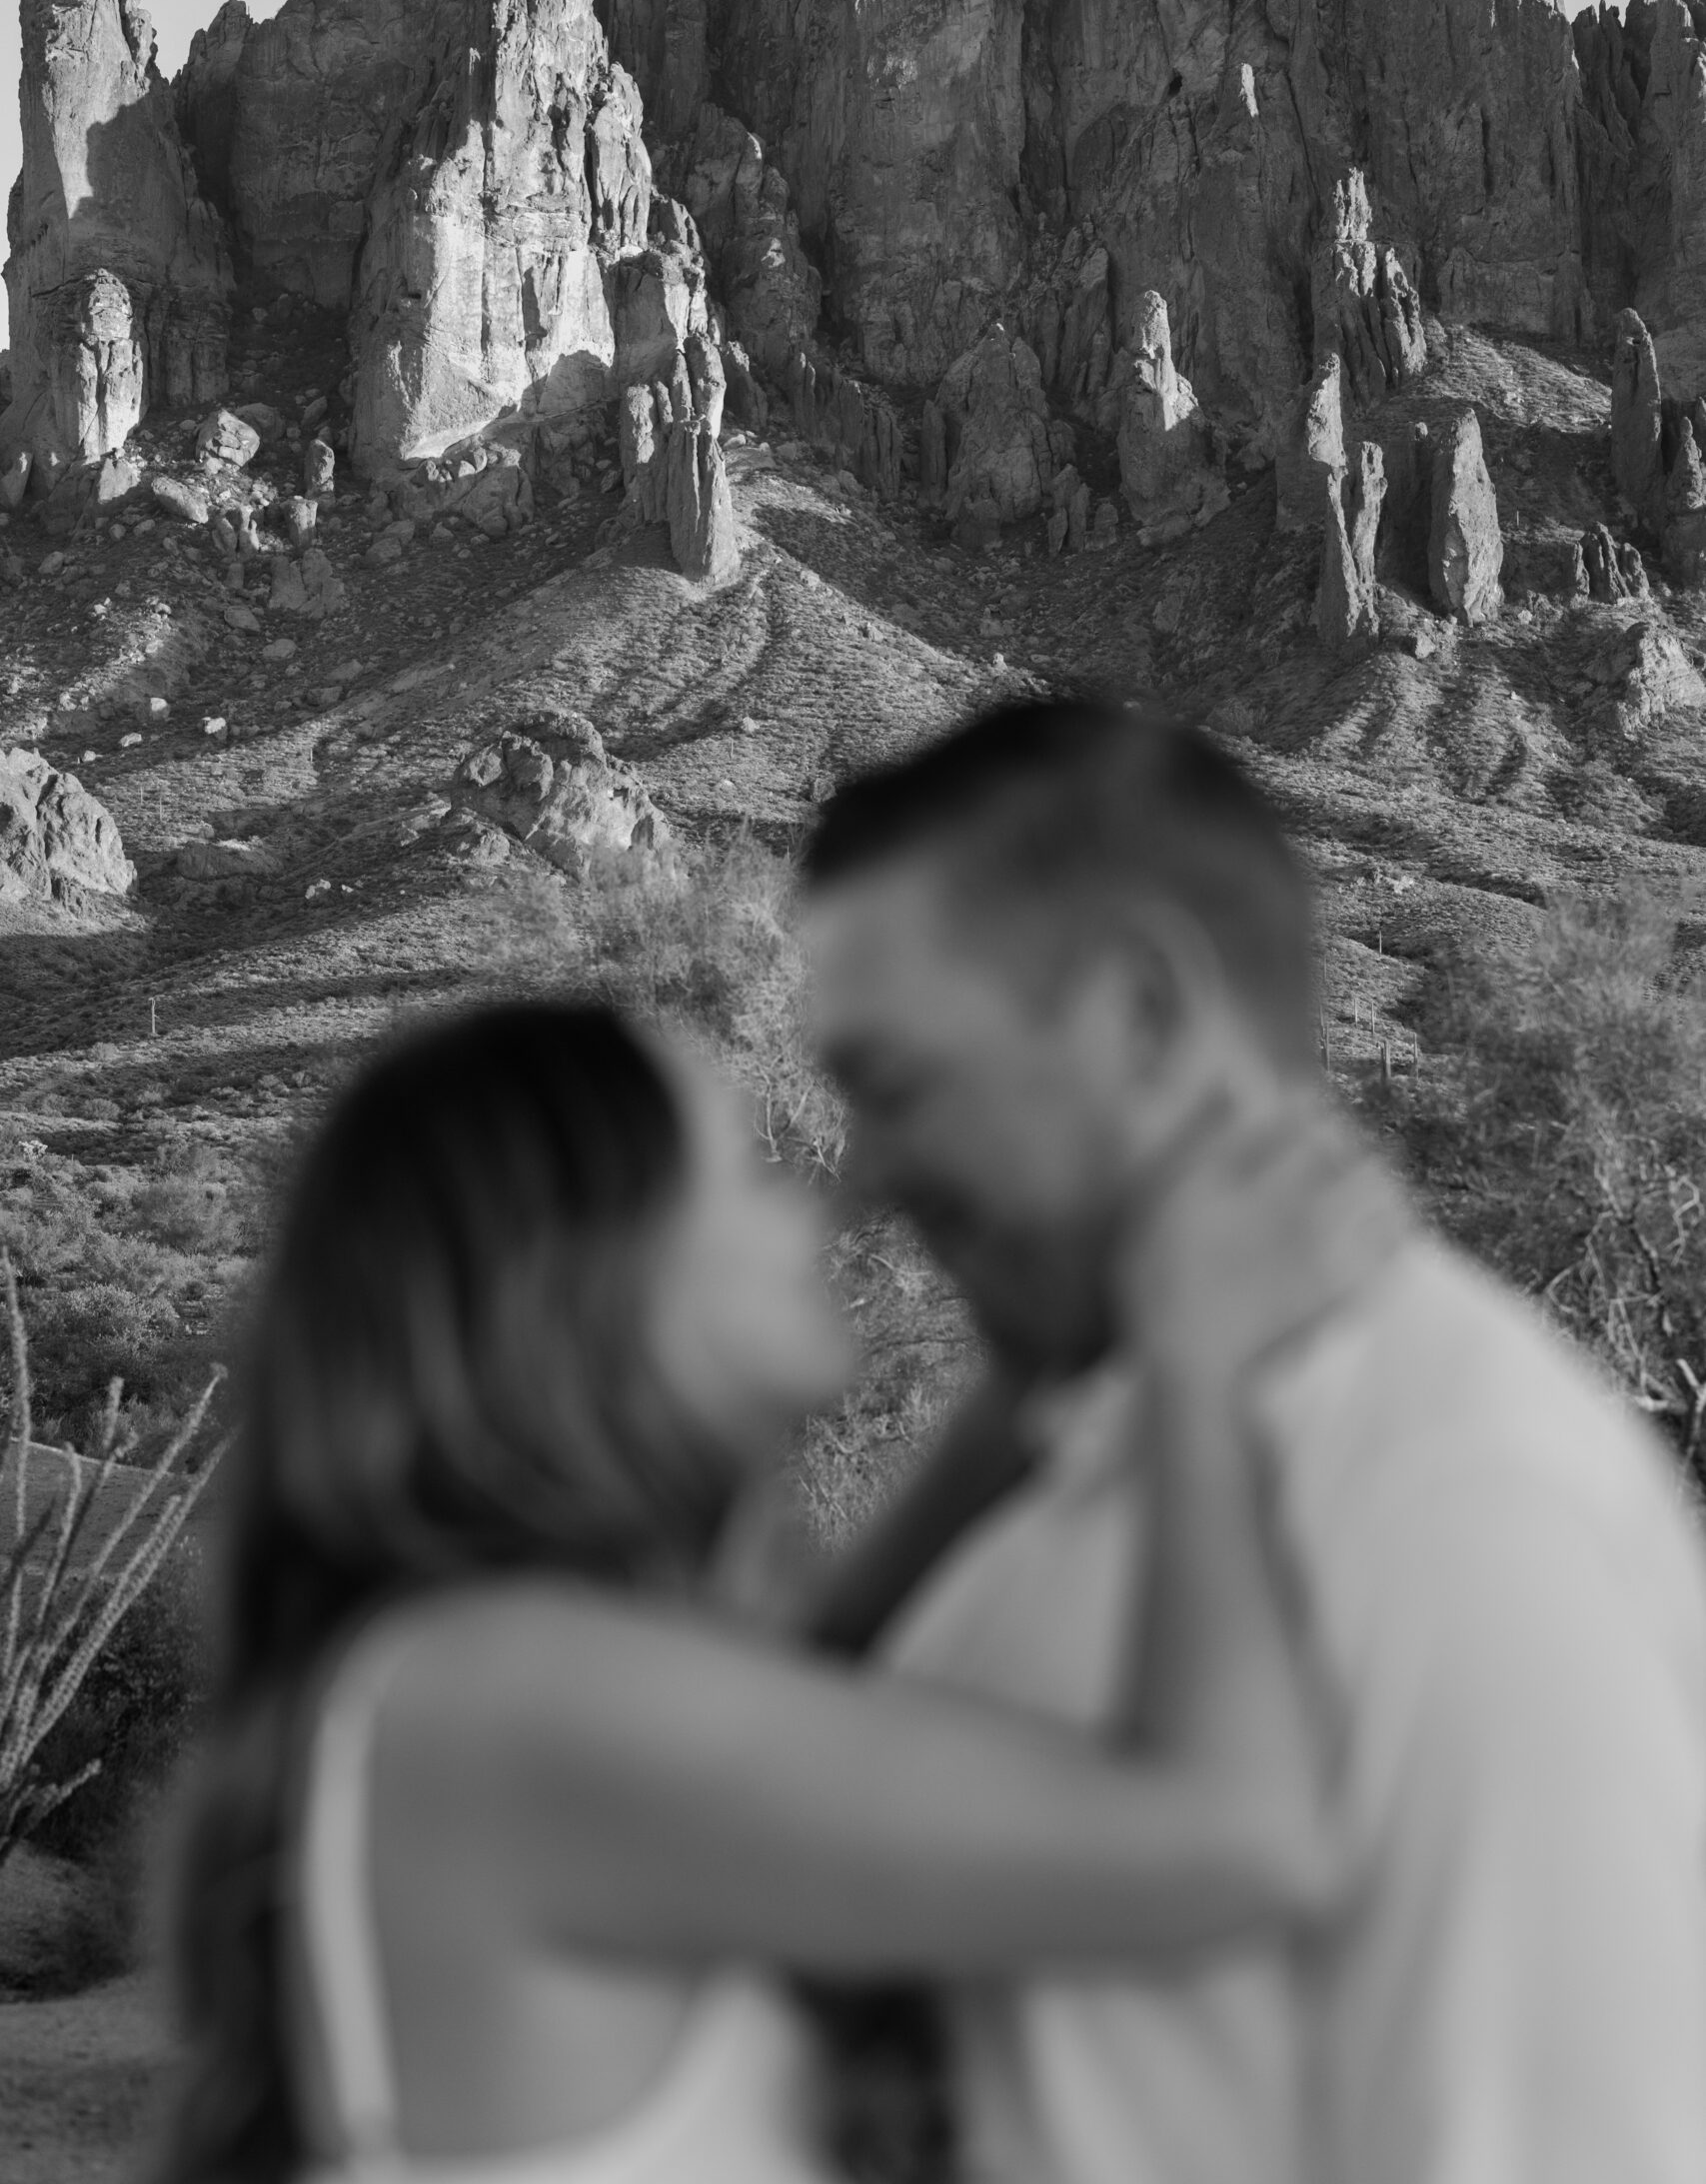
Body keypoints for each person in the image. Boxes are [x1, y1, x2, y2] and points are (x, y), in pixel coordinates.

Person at [152, 995, 1385, 2184]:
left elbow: (824, 1674)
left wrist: (1035, 1365)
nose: (821, 1204)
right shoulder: (517, 1689)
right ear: (589, 1275)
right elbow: (1238, 1840)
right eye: (746, 1168)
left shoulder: (480, 1670)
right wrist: (1197, 1361)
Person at [799, 697, 1706, 2184]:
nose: (867, 1181)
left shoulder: (1456, 1510)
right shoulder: (1104, 1454)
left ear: (1140, 1015)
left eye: (899, 1090)